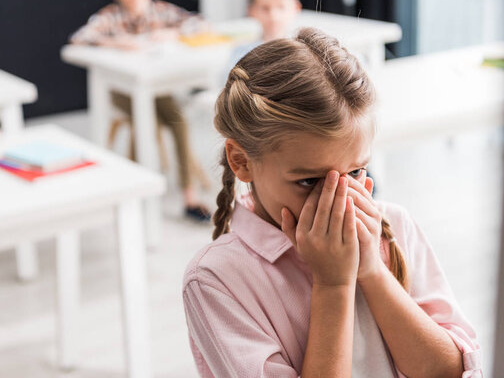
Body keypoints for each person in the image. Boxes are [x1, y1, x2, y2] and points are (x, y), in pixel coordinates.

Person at [182, 28, 482, 377]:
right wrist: (333, 284)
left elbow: (452, 372)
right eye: (309, 181)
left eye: (355, 172)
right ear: (242, 161)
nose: (338, 200)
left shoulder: (396, 227)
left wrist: (371, 270)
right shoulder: (215, 280)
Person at [70, 0, 211, 222]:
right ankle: (136, 194)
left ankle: (190, 197)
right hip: (122, 92)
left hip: (156, 90)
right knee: (147, 125)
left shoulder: (162, 11)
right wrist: (115, 43)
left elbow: (201, 24)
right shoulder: (110, 16)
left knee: (178, 120)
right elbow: (80, 37)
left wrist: (171, 32)